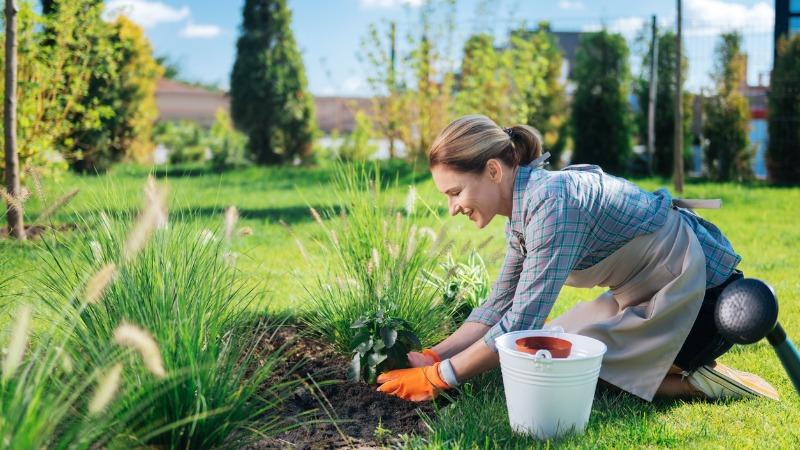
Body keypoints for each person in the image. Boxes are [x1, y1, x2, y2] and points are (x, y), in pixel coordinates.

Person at [375, 115, 779, 403]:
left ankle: (701, 382)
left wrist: (438, 378)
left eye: (455, 192)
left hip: (704, 302)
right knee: (547, 354)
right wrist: (433, 355)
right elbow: (497, 306)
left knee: (574, 368)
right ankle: (668, 368)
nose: (452, 207)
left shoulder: (552, 205)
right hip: (649, 292)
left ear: (494, 171)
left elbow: (519, 324)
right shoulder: (522, 214)